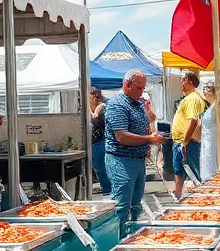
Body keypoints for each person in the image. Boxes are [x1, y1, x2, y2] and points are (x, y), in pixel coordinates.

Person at [104, 69, 163, 224]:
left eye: (143, 88)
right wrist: (148, 139)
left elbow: (145, 124)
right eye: (139, 87)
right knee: (122, 205)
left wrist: (150, 118)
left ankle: (132, 234)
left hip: (137, 159)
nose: (142, 91)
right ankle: (117, 239)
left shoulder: (137, 103)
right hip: (121, 159)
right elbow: (121, 136)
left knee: (136, 205)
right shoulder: (117, 104)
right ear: (127, 85)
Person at [170, 70, 206, 198]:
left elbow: (193, 121)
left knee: (193, 173)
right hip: (181, 142)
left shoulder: (192, 98)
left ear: (190, 82)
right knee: (179, 170)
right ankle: (178, 194)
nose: (181, 83)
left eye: (183, 80)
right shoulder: (189, 98)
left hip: (187, 142)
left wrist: (185, 142)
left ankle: (199, 198)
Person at [198, 80, 220, 181]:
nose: (204, 93)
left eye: (206, 90)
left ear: (212, 92)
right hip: (208, 142)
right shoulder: (214, 105)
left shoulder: (218, 106)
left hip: (213, 143)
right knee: (208, 166)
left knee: (211, 168)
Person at [88, 88, 111, 196]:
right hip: (94, 143)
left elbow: (98, 125)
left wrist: (96, 113)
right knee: (100, 170)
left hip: (101, 141)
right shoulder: (89, 107)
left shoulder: (103, 106)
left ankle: (108, 191)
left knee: (102, 169)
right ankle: (107, 190)